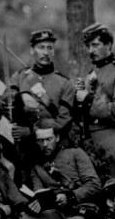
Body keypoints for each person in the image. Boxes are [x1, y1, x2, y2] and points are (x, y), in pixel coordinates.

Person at [75, 23, 115, 183]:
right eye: (88, 46)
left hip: (112, 144)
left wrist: (88, 100)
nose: (91, 51)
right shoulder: (90, 74)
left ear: (108, 45)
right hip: (89, 145)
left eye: (95, 45)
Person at [8, 29, 76, 169]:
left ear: (53, 51)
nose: (45, 52)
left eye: (49, 48)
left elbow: (63, 122)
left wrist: (32, 132)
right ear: (32, 50)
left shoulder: (65, 83)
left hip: (52, 150)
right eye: (41, 47)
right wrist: (20, 97)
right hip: (23, 150)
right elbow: (5, 102)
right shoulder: (20, 77)